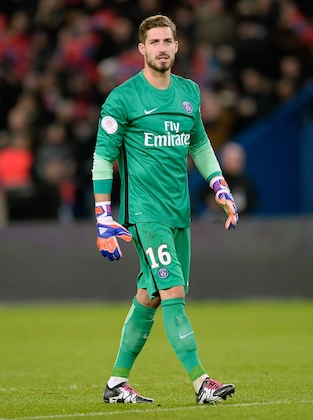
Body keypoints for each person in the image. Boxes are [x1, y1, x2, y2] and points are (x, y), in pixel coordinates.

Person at [91, 15, 238, 405]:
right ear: (141, 49)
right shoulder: (122, 98)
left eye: (167, 41)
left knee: (150, 296)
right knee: (173, 293)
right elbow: (102, 159)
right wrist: (103, 218)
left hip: (179, 214)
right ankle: (201, 382)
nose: (161, 48)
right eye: (153, 42)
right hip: (145, 215)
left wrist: (220, 186)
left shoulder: (189, 92)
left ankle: (116, 384)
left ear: (176, 46)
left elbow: (200, 144)